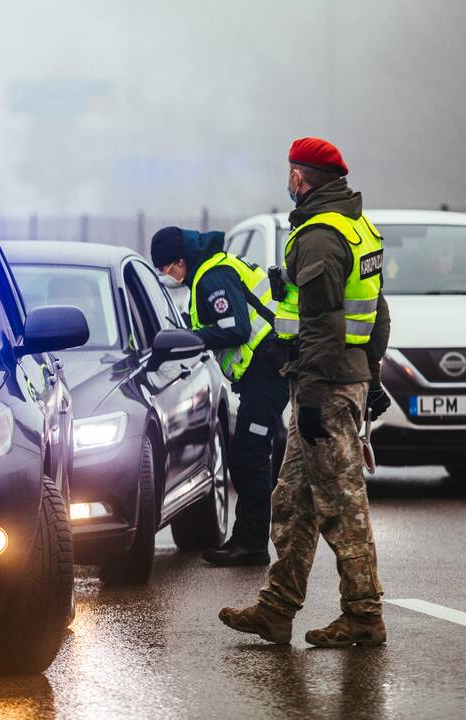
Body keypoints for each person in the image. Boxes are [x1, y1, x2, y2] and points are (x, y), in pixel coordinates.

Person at [219, 137, 393, 647]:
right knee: (292, 500)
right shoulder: (358, 227)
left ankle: (363, 616)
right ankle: (276, 610)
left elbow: (322, 322)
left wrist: (315, 392)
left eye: (290, 172)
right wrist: (373, 371)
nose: (287, 181)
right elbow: (378, 312)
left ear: (302, 178)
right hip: (336, 378)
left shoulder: (318, 235)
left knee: (342, 503)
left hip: (327, 385)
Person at [151, 227, 288, 566]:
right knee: (246, 456)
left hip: (268, 371)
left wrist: (193, 336)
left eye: (167, 268)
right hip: (262, 373)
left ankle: (252, 546)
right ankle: (244, 539)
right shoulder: (209, 272)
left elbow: (236, 329)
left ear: (181, 261)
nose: (168, 276)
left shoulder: (212, 277)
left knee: (250, 457)